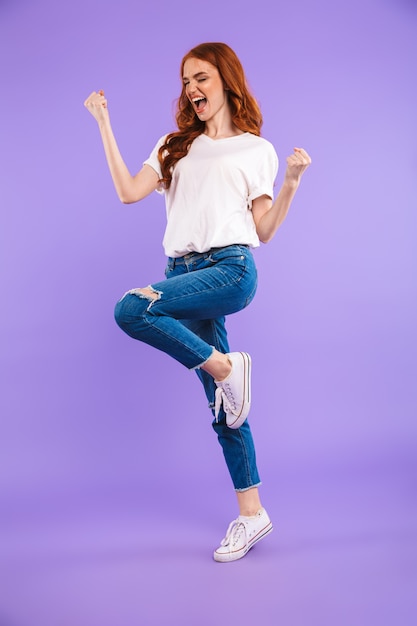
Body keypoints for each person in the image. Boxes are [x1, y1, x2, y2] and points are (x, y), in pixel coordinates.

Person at [84, 42, 311, 563]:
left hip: (230, 268)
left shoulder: (257, 149)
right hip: (181, 272)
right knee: (224, 405)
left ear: (226, 81)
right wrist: (103, 122)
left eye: (201, 77)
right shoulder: (174, 146)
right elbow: (127, 192)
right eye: (186, 80)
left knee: (132, 308)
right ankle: (253, 513)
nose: (191, 89)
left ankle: (227, 369)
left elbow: (265, 230)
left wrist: (292, 183)